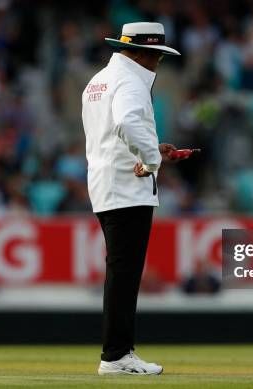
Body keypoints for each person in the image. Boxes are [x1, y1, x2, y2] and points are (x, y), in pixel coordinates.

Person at [82, 22, 185, 375]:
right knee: (125, 274)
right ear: (142, 53)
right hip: (127, 187)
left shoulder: (99, 80)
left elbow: (111, 133)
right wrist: (151, 160)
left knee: (120, 272)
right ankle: (116, 356)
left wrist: (150, 149)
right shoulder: (130, 80)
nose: (157, 64)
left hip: (106, 183)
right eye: (157, 56)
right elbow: (126, 121)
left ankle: (117, 353)